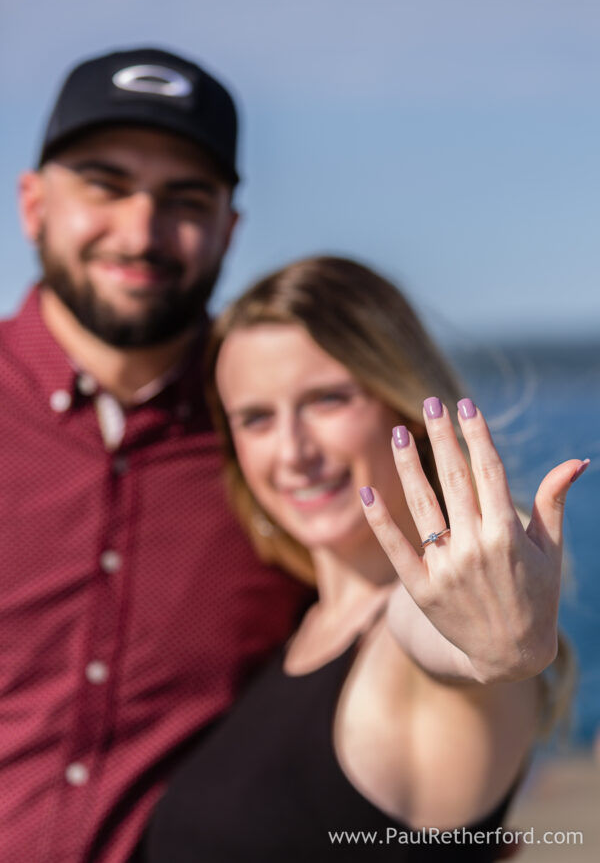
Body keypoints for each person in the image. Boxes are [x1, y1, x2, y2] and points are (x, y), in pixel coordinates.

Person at [145, 256, 582, 861]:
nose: (294, 451)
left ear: (400, 405)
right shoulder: (302, 628)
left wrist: (496, 647)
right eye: (257, 418)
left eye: (327, 399)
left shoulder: (409, 625)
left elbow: (439, 642)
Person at [0, 48, 310, 863]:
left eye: (184, 199)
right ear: (32, 205)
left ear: (229, 229)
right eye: (104, 185)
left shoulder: (289, 449)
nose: (141, 233)